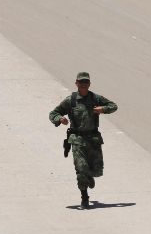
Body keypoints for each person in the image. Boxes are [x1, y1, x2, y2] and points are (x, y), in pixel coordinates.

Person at [49, 72, 118, 209]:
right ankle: (84, 197)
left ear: (89, 84)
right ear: (76, 83)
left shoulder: (95, 98)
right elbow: (53, 113)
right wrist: (60, 119)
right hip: (77, 139)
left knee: (97, 170)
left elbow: (114, 106)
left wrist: (102, 109)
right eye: (81, 82)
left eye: (86, 82)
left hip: (93, 139)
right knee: (81, 168)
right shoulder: (71, 100)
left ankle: (89, 176)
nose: (83, 84)